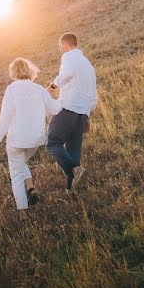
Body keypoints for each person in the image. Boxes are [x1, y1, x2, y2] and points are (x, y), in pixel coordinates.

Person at [0, 58, 61, 214]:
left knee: (16, 173)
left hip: (17, 139)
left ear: (13, 72)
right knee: (21, 163)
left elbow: (5, 116)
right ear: (30, 71)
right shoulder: (39, 89)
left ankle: (23, 213)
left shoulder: (11, 90)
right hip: (36, 139)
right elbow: (54, 109)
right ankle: (30, 188)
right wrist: (66, 99)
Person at [46, 32, 97, 193]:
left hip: (69, 106)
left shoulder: (69, 57)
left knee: (52, 142)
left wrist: (52, 86)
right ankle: (71, 190)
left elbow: (65, 75)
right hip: (83, 112)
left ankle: (73, 168)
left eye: (60, 46)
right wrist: (88, 114)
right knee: (73, 149)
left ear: (66, 45)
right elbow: (92, 93)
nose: (60, 50)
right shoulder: (88, 64)